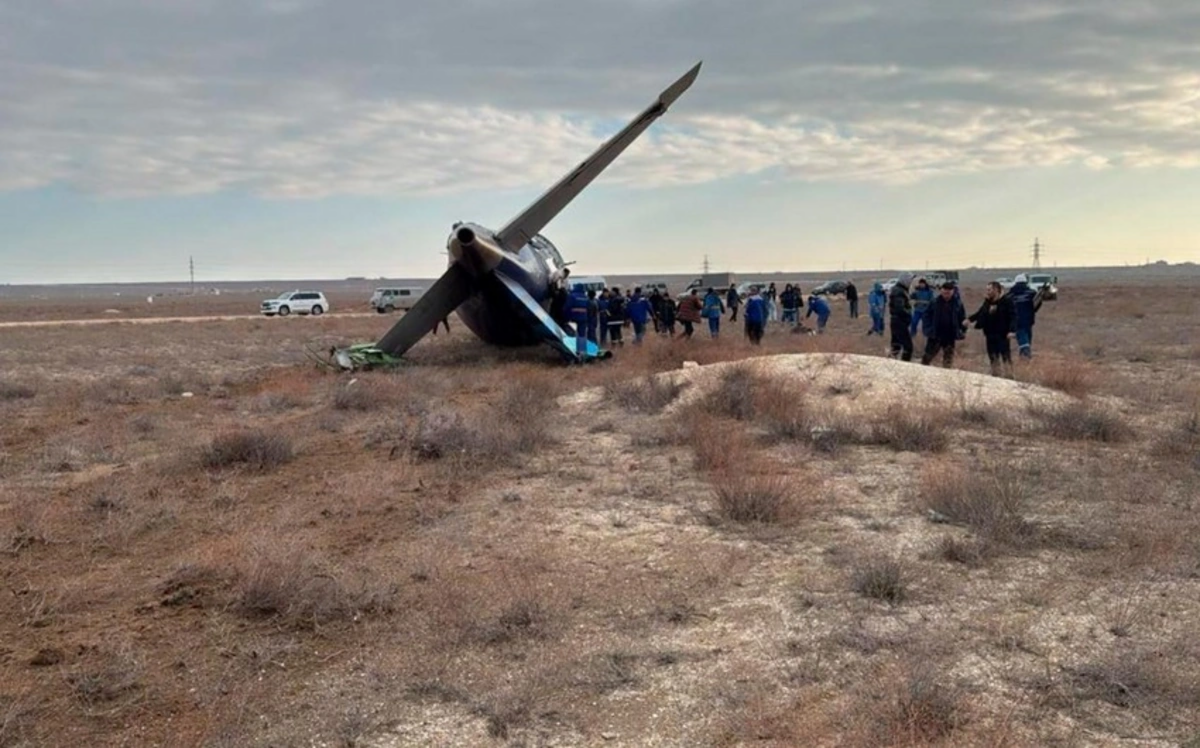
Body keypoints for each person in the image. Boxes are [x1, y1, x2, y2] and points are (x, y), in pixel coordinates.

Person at [968, 281, 1016, 377]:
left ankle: (1010, 376)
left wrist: (1012, 330)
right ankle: (996, 376)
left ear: (996, 290)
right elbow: (980, 313)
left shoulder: (1007, 302)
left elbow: (1013, 317)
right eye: (987, 290)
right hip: (990, 334)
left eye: (989, 290)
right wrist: (969, 319)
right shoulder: (987, 302)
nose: (988, 292)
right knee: (993, 357)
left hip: (1003, 334)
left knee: (1005, 357)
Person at [920, 282, 966, 368]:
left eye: (948, 293)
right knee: (927, 357)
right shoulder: (934, 302)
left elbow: (962, 318)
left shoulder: (958, 304)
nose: (946, 295)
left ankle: (946, 376)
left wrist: (962, 331)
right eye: (944, 292)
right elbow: (926, 316)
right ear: (941, 291)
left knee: (948, 360)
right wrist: (928, 329)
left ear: (953, 292)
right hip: (935, 334)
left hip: (950, 335)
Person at [1008, 274, 1043, 359]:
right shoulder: (1031, 293)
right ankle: (1025, 355)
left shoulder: (1010, 295)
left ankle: (1024, 356)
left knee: (1022, 338)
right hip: (1028, 320)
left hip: (1016, 321)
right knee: (1027, 338)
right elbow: (1037, 304)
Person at [889, 273, 914, 361]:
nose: (911, 282)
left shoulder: (900, 290)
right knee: (908, 347)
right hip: (899, 321)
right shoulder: (899, 291)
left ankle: (890, 364)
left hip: (897, 321)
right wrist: (908, 314)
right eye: (910, 280)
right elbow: (900, 308)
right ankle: (905, 366)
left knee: (896, 346)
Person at [565, 283, 590, 358]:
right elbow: (588, 307)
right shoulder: (585, 297)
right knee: (582, 335)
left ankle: (572, 350)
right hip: (584, 318)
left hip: (573, 318)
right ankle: (582, 351)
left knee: (572, 333)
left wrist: (566, 317)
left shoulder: (572, 296)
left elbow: (567, 307)